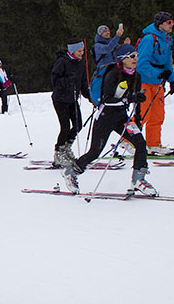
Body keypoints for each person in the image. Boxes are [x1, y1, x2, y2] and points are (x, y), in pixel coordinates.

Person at [62, 44, 157, 196]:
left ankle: (138, 179)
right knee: (95, 152)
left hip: (122, 117)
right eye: (132, 56)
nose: (135, 59)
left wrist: (138, 118)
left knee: (140, 142)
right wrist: (130, 98)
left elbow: (137, 100)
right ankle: (71, 172)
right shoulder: (113, 74)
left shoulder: (136, 75)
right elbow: (107, 99)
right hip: (106, 117)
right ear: (122, 59)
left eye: (136, 55)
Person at [136, 12, 174, 154]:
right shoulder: (149, 39)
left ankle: (153, 143)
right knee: (143, 113)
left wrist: (172, 80)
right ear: (160, 24)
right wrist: (157, 73)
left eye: (172, 22)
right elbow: (141, 64)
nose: (171, 25)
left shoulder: (166, 39)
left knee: (158, 115)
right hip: (145, 81)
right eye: (169, 22)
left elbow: (167, 61)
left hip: (159, 83)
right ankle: (128, 140)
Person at [50, 38, 91, 168]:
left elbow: (84, 84)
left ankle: (67, 147)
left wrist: (91, 98)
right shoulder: (62, 62)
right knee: (65, 127)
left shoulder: (80, 64)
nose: (81, 53)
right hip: (60, 99)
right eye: (79, 51)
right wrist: (68, 81)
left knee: (78, 124)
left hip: (72, 99)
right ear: (72, 50)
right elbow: (54, 81)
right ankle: (59, 152)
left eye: (83, 50)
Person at [91, 23, 126, 106]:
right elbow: (108, 49)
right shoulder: (98, 46)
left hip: (114, 71)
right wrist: (117, 36)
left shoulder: (112, 42)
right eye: (105, 32)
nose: (107, 33)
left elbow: (119, 50)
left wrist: (125, 45)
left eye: (108, 31)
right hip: (103, 72)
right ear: (100, 34)